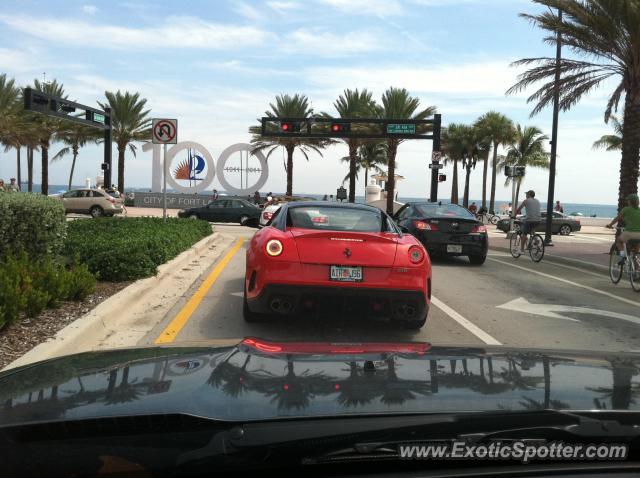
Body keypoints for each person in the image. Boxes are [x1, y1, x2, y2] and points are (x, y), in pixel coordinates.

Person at [607, 194, 640, 259]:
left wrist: (610, 225)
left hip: (629, 233)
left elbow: (617, 218)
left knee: (618, 240)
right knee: (638, 242)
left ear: (630, 202)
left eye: (628, 200)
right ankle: (635, 258)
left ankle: (623, 255)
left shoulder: (626, 209)